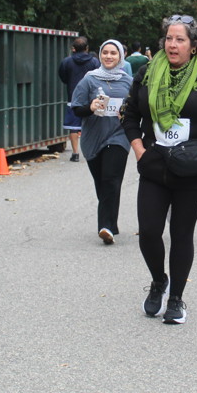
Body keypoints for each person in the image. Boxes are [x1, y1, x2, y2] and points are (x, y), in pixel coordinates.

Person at [123, 14, 197, 325]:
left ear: (194, 45)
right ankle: (158, 281)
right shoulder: (148, 72)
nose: (172, 45)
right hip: (154, 163)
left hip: (192, 165)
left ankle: (176, 298)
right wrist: (139, 150)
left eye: (180, 39)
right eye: (169, 38)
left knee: (181, 233)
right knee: (149, 231)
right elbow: (130, 113)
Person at [70, 40, 133, 245]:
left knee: (111, 180)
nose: (108, 56)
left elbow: (137, 108)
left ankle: (105, 227)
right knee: (102, 183)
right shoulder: (89, 80)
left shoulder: (128, 82)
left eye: (113, 53)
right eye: (105, 52)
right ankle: (111, 222)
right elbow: (76, 108)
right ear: (99, 55)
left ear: (120, 56)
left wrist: (127, 114)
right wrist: (90, 107)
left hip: (118, 136)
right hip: (93, 138)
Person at [58, 36, 101, 162]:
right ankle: (94, 151)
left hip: (73, 97)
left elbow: (63, 77)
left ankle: (75, 153)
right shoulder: (94, 62)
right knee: (93, 124)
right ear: (87, 48)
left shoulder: (66, 62)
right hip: (92, 100)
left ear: (74, 48)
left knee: (73, 127)